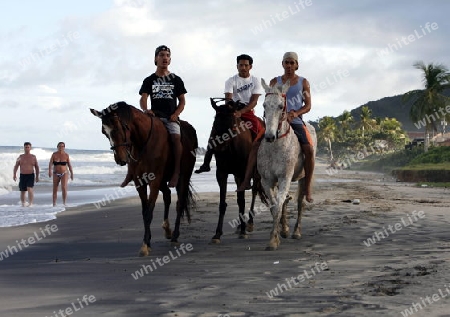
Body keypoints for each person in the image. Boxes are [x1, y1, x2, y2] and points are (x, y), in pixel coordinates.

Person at [237, 52, 315, 203]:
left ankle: (307, 187)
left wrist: (295, 113)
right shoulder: (274, 81)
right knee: (255, 146)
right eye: (287, 62)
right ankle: (247, 180)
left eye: (292, 63)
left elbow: (308, 105)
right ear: (283, 64)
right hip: (275, 120)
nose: (289, 65)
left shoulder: (303, 82)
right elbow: (270, 100)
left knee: (309, 149)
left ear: (297, 65)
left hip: (296, 120)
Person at [195, 54, 264, 175]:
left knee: (259, 129)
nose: (243, 67)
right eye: (241, 65)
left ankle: (259, 160)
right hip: (232, 110)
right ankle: (206, 162)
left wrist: (241, 112)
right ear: (237, 66)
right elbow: (228, 98)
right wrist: (233, 110)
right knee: (216, 129)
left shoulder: (255, 81)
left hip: (247, 111)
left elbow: (254, 102)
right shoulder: (231, 80)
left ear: (250, 67)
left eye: (245, 65)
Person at [13, 142, 40, 207]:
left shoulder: (33, 157)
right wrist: (14, 174)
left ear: (30, 148)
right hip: (22, 175)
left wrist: (37, 176)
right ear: (24, 148)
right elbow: (16, 166)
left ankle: (30, 203)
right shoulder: (20, 157)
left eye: (28, 147)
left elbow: (37, 167)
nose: (27, 148)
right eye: (26, 147)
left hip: (30, 175)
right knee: (23, 191)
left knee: (29, 188)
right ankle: (23, 203)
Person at [48, 141, 73, 206]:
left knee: (64, 187)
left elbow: (69, 165)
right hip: (55, 173)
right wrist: (49, 171)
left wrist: (72, 173)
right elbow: (50, 163)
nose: (61, 147)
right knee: (55, 188)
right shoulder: (54, 154)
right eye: (59, 146)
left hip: (64, 173)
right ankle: (54, 204)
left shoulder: (66, 155)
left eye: (62, 146)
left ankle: (64, 203)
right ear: (57, 147)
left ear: (64, 147)